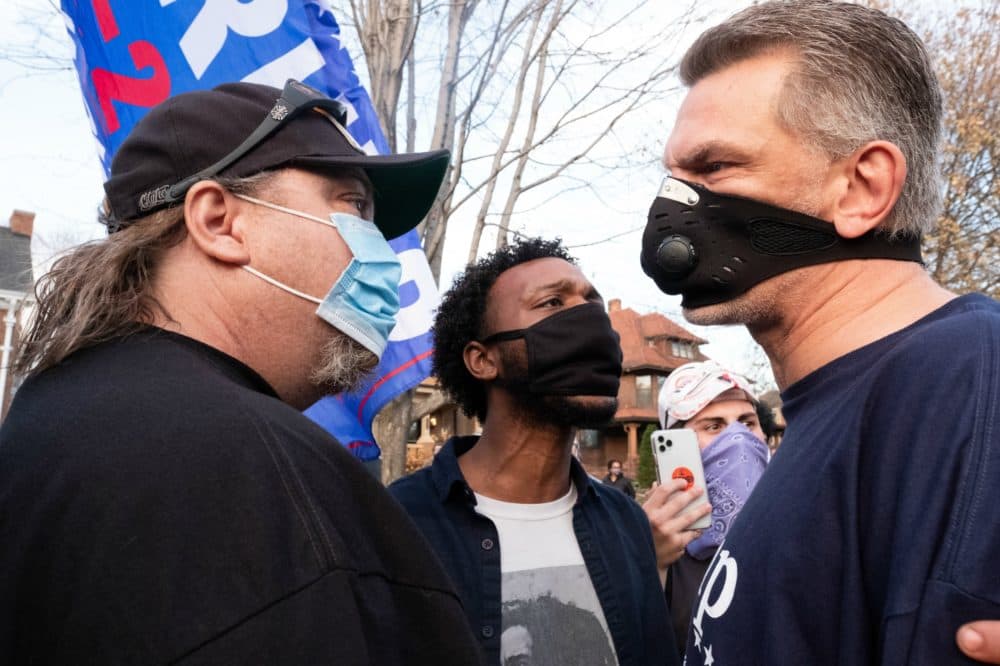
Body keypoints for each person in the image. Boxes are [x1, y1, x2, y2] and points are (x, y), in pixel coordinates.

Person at [0, 79, 483, 664]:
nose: (383, 252)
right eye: (354, 207)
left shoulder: (51, 417)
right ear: (220, 222)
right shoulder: (243, 465)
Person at [638, 2, 1000, 664]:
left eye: (714, 167)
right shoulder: (828, 411)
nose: (672, 209)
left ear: (863, 188)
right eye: (675, 177)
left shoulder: (965, 384)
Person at [389, 238, 677, 666]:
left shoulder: (625, 522)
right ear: (483, 359)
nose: (588, 320)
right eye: (553, 302)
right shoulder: (398, 524)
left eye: (592, 304)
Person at [654, 361, 769, 656]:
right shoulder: (652, 544)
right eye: (713, 426)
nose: (738, 439)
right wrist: (652, 563)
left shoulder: (797, 521)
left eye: (747, 422)